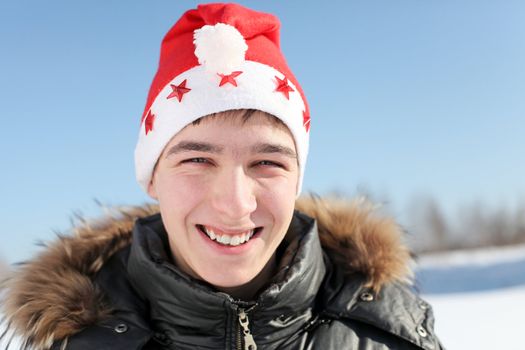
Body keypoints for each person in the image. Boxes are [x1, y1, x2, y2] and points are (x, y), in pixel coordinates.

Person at [1, 3, 443, 349]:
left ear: (297, 180)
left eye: (267, 163)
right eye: (197, 161)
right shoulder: (69, 343)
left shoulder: (391, 329)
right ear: (152, 177)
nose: (235, 204)